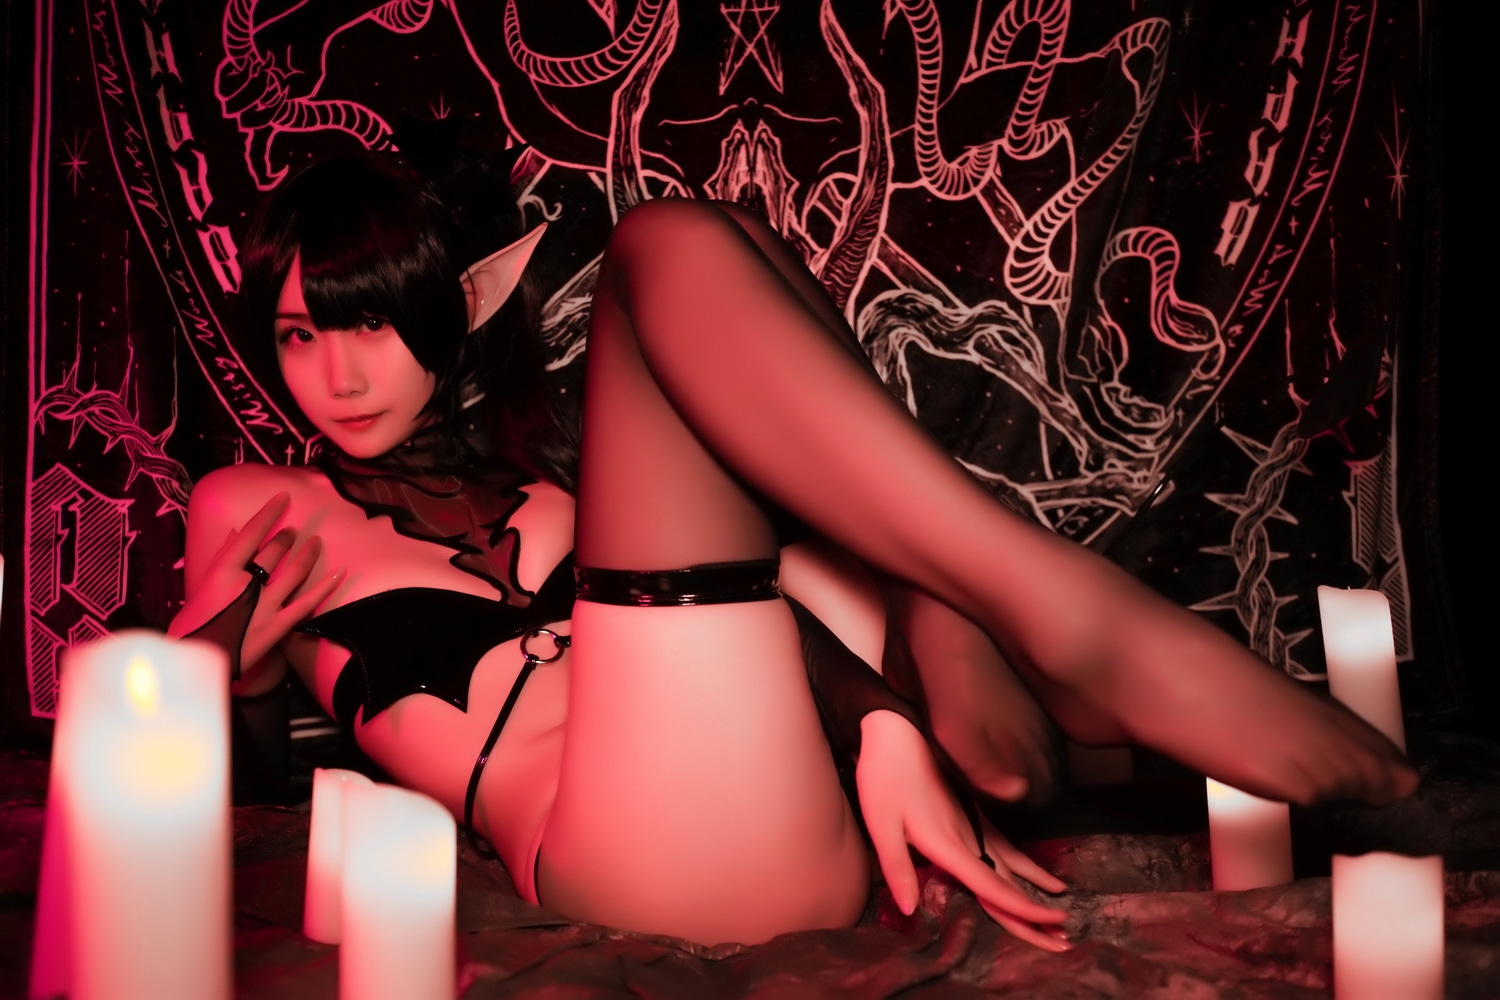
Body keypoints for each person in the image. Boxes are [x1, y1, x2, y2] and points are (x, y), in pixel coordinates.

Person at [168, 153, 1416, 948]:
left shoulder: (544, 483)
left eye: (371, 326)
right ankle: (1031, 612)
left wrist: (879, 727)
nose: (336, 375)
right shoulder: (257, 502)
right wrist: (248, 680)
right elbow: (208, 775)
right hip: (621, 852)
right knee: (661, 250)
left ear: (448, 319)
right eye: (298, 335)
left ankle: (948, 620)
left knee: (724, 243)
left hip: (783, 802)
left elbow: (737, 627)